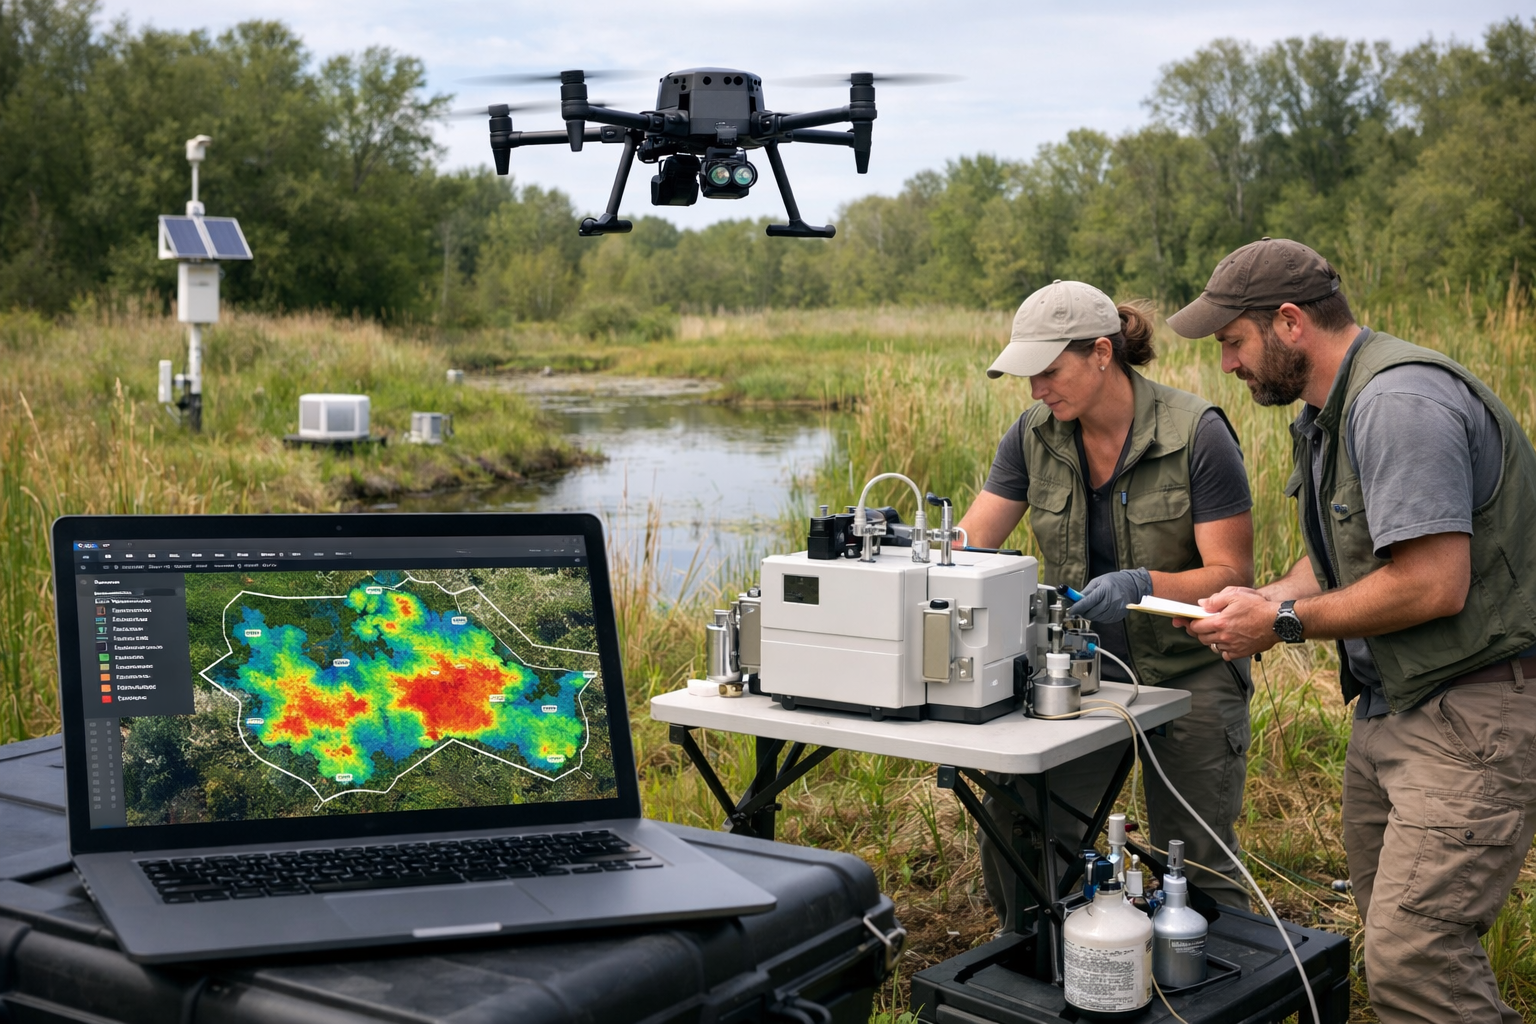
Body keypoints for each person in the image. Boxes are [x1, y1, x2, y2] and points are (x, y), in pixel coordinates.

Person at [1168, 237, 1536, 1024]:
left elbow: (1435, 582)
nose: (1227, 365)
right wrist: (1261, 601)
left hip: (1470, 712)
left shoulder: (1397, 405)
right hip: (1393, 709)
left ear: (1291, 322)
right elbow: (1344, 557)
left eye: (1233, 342)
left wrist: (1287, 622)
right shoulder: (1329, 411)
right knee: (1391, 935)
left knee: (1415, 961)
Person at [959, 279, 1257, 927]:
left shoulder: (1195, 433)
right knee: (1024, 827)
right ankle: (1036, 966)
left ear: (1101, 353)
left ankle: (1226, 982)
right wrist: (920, 559)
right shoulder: (1033, 434)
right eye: (1026, 375)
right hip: (1082, 679)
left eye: (1047, 371)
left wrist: (1141, 585)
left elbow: (1232, 575)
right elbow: (971, 545)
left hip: (1191, 673)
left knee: (1195, 863)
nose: (1036, 390)